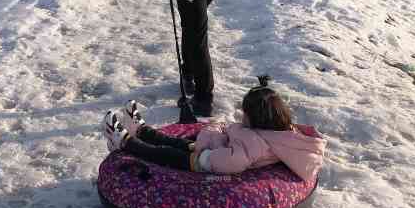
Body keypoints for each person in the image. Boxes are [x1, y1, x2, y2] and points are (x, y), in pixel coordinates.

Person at [102, 76, 325, 179]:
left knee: (165, 153)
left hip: (205, 162)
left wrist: (209, 152)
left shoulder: (256, 142)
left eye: (244, 113)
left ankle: (126, 143)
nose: (242, 116)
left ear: (256, 118)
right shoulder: (278, 132)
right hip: (213, 149)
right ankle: (142, 130)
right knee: (178, 143)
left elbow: (233, 160)